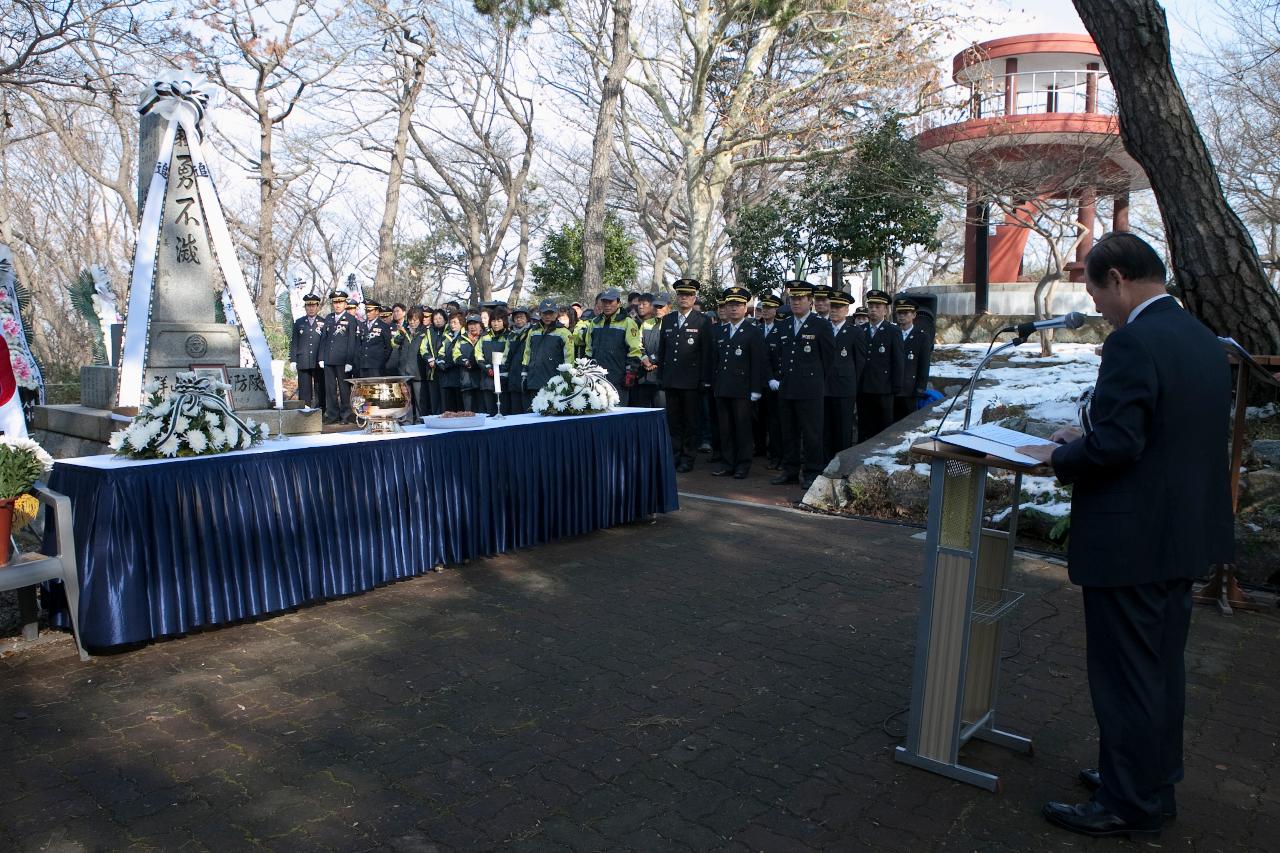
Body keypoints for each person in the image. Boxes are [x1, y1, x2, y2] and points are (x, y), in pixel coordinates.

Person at [1015, 233, 1233, 842]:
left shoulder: (1132, 340)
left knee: (1125, 676)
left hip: (1134, 539)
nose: (1095, 303)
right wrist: (1082, 430)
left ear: (1116, 278)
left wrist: (1061, 458)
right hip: (1182, 534)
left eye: (1093, 288)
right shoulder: (1199, 337)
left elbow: (1121, 446)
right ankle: (1149, 781)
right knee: (1160, 670)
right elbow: (1167, 428)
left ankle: (1126, 804)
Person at [768, 281, 835, 488]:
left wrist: (818, 384)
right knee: (788, 433)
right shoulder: (784, 325)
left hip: (810, 390)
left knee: (812, 433)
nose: (796, 302)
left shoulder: (821, 325)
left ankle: (812, 471)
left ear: (810, 301)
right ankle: (790, 470)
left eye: (801, 298)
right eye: (793, 298)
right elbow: (777, 355)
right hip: (787, 388)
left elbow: (828, 359)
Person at [657, 278, 714, 473]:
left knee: (691, 422)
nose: (684, 298)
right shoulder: (669, 319)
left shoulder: (703, 321)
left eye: (688, 295)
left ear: (694, 297)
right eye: (681, 294)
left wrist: (705, 380)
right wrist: (661, 376)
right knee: (674, 422)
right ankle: (674, 455)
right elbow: (663, 350)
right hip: (672, 380)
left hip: (691, 382)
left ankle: (688, 457)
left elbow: (708, 353)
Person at [711, 287, 767, 479]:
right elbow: (715, 361)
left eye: (738, 305)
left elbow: (758, 362)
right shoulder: (720, 331)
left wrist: (756, 389)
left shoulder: (753, 332)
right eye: (730, 305)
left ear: (745, 308)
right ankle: (728, 463)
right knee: (725, 429)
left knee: (742, 429)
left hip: (743, 389)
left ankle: (743, 465)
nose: (733, 309)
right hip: (723, 387)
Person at [856, 289, 904, 442]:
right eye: (871, 306)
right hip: (863, 388)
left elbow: (898, 360)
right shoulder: (860, 330)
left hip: (884, 388)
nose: (873, 310)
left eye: (877, 306)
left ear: (885, 310)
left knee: (883, 427)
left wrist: (896, 386)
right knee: (864, 426)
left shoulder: (893, 331)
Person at [823, 290, 864, 459]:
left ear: (847, 310)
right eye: (832, 306)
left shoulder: (855, 332)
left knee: (843, 429)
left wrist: (853, 385)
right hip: (824, 387)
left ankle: (841, 462)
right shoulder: (823, 329)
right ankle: (825, 461)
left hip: (844, 388)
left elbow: (860, 363)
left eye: (839, 307)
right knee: (826, 428)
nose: (834, 310)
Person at [585, 287, 643, 405]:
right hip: (596, 378)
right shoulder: (594, 322)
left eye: (610, 302)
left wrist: (630, 373)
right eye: (604, 301)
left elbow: (635, 350)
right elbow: (589, 349)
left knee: (618, 414)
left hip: (619, 378)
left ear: (618, 302)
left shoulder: (628, 322)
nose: (607, 305)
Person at [754, 293, 784, 470]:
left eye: (769, 308)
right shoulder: (757, 329)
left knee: (775, 421)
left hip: (774, 382)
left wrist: (775, 378)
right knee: (758, 418)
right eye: (763, 308)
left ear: (776, 310)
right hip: (758, 381)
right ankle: (760, 448)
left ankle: (777, 455)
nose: (765, 311)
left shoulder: (781, 328)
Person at [523, 299, 576, 399]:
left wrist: (567, 380)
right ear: (540, 314)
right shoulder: (533, 332)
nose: (548, 316)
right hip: (534, 381)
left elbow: (569, 359)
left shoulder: (565, 333)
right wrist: (524, 373)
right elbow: (527, 353)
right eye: (545, 313)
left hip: (554, 382)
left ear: (556, 314)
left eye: (551, 313)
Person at [319, 289, 357, 424]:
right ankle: (332, 415)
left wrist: (349, 361)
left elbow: (352, 342)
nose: (338, 305)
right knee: (330, 389)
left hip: (343, 361)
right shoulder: (329, 318)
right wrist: (321, 357)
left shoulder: (351, 319)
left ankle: (346, 415)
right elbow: (324, 339)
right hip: (329, 359)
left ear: (345, 303)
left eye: (340, 302)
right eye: (335, 302)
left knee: (344, 389)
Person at [893, 301, 933, 422]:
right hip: (892, 388)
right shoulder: (892, 333)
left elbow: (924, 365)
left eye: (906, 313)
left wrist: (920, 388)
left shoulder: (921, 337)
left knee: (907, 423)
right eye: (899, 313)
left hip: (910, 389)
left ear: (914, 315)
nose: (902, 316)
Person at [289, 292, 326, 410]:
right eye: (308, 306)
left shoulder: (323, 322)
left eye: (313, 306)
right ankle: (305, 410)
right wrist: (293, 360)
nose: (311, 308)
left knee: (320, 387)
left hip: (318, 360)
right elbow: (294, 342)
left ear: (317, 307)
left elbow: (325, 342)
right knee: (304, 388)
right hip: (303, 359)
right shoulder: (299, 322)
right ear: (305, 307)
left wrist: (324, 358)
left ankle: (321, 410)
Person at [394, 306, 430, 419]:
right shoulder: (404, 330)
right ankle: (407, 420)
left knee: (420, 399)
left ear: (420, 319)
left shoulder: (424, 331)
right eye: (410, 320)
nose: (412, 322)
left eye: (415, 320)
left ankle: (421, 420)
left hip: (418, 370)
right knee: (407, 399)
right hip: (404, 369)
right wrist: (402, 333)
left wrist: (406, 334)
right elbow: (395, 342)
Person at [634, 293, 664, 408]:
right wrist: (644, 359)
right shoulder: (646, 324)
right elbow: (637, 344)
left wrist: (652, 360)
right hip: (643, 375)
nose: (640, 307)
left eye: (660, 307)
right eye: (656, 306)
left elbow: (667, 347)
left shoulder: (669, 323)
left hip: (660, 376)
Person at [478, 310, 512, 415]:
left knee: (504, 411)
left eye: (499, 321)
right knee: (490, 412)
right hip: (487, 379)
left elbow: (508, 355)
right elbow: (478, 354)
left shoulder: (509, 336)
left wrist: (499, 370)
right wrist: (487, 368)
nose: (496, 323)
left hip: (503, 379)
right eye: (493, 321)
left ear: (504, 322)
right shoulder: (484, 336)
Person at [456, 314, 487, 412]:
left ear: (480, 325)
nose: (472, 327)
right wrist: (464, 361)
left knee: (482, 411)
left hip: (482, 380)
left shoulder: (486, 337)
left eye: (475, 324)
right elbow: (455, 355)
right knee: (468, 412)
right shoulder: (461, 339)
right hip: (466, 380)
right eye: (470, 324)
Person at [436, 312, 465, 412]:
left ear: (461, 323)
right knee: (450, 406)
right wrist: (440, 362)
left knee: (460, 406)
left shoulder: (463, 336)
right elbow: (441, 352)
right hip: (448, 376)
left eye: (455, 322)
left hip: (459, 374)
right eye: (451, 322)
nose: (452, 325)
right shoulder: (447, 336)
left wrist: (449, 364)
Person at [354, 299, 393, 377]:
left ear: (377, 312)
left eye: (370, 311)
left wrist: (381, 360)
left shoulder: (383, 326)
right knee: (364, 388)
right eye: (366, 311)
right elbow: (358, 345)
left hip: (377, 366)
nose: (368, 313)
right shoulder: (361, 325)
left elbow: (388, 347)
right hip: (363, 365)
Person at [421, 308, 449, 415]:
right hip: (432, 369)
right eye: (435, 318)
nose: (438, 321)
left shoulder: (448, 331)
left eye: (440, 318)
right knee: (434, 398)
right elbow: (423, 348)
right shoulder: (429, 331)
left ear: (445, 319)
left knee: (445, 398)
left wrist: (440, 361)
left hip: (444, 369)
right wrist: (429, 358)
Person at [506, 306, 533, 413]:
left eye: (521, 317)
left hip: (526, 374)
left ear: (527, 319)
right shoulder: (511, 335)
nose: (519, 320)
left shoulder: (532, 333)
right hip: (513, 375)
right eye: (516, 317)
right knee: (515, 409)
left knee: (527, 409)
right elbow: (506, 355)